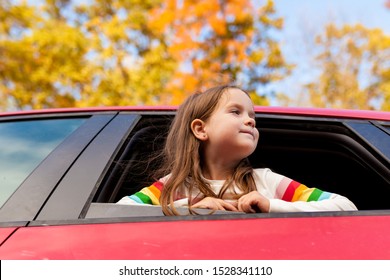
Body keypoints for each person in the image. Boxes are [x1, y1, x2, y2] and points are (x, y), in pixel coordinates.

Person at [117, 85, 357, 215]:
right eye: (236, 112)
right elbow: (118, 211)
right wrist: (188, 209)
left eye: (253, 116)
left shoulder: (269, 182)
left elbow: (344, 205)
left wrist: (270, 205)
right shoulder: (172, 187)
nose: (251, 121)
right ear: (201, 129)